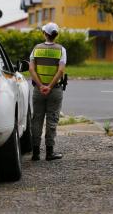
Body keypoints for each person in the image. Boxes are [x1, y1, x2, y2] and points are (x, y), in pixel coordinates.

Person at [29, 22, 66, 161]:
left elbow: (31, 69)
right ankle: (50, 153)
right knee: (52, 120)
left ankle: (36, 153)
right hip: (55, 90)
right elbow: (61, 70)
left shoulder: (36, 49)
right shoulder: (61, 50)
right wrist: (50, 86)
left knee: (37, 119)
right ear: (56, 35)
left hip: (38, 91)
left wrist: (40, 86)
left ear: (45, 33)